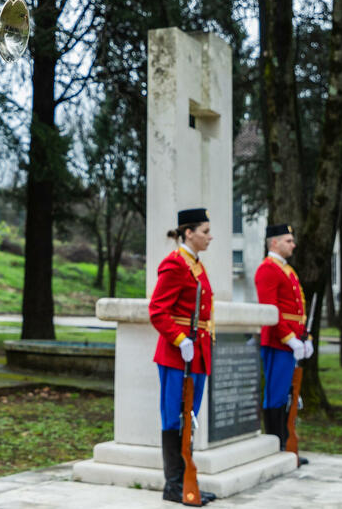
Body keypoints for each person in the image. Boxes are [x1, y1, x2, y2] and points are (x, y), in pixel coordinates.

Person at [148, 208, 216, 505]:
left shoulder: (196, 264)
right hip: (178, 355)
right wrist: (179, 339)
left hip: (197, 353)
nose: (210, 237)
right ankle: (174, 485)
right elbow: (157, 310)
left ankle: (188, 482)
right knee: (174, 417)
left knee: (189, 417)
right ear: (189, 233)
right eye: (205, 231)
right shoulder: (175, 264)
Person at [255, 223, 313, 464]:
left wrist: (305, 338)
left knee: (288, 395)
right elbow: (271, 311)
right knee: (276, 395)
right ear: (274, 242)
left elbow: (297, 310)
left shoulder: (287, 269)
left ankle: (285, 443)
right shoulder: (267, 269)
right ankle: (276, 445)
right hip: (277, 342)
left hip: (291, 342)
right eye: (288, 240)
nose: (293, 245)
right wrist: (290, 339)